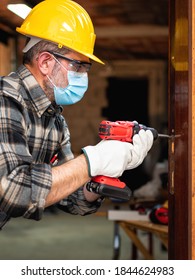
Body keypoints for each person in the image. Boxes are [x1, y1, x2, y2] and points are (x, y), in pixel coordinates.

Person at [0, 0, 154, 229]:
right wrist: (93, 160)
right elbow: (14, 192)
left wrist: (105, 169)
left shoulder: (55, 120)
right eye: (78, 66)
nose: (84, 75)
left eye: (86, 68)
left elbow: (70, 198)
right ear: (45, 62)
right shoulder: (6, 98)